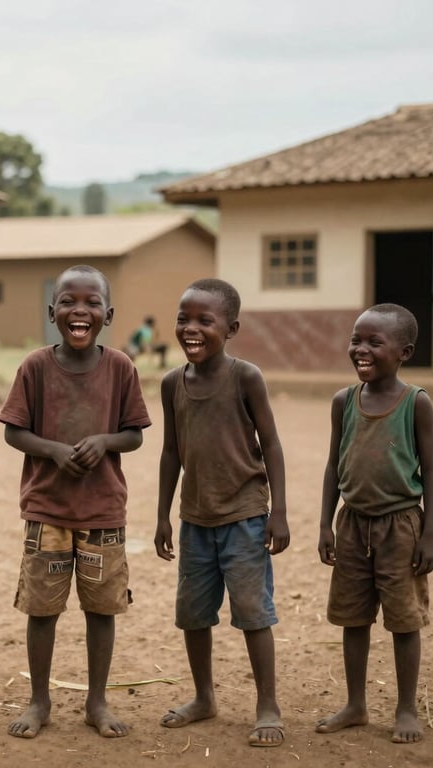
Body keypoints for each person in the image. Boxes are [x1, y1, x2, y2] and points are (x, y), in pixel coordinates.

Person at [0, 264, 151, 739]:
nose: (79, 310)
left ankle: (96, 702)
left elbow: (134, 435)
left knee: (101, 609)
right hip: (47, 511)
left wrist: (104, 442)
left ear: (108, 312)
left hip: (103, 510)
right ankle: (39, 701)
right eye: (68, 302)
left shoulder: (121, 366)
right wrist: (54, 451)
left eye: (90, 303)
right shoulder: (35, 367)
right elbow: (14, 431)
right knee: (42, 610)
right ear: (52, 312)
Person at [154, 278, 290, 748]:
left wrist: (280, 512)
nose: (190, 329)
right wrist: (162, 515)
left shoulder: (246, 377)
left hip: (246, 516)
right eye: (183, 319)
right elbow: (171, 451)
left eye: (203, 321)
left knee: (253, 612)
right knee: (193, 615)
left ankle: (267, 704)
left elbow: (270, 443)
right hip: (195, 519)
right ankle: (203, 696)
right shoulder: (172, 382)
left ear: (231, 328)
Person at [316, 303, 433, 744]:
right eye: (356, 340)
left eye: (374, 342)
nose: (360, 349)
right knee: (354, 617)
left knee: (404, 621)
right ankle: (355, 704)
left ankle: (406, 708)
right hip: (352, 524)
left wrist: (429, 536)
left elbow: (432, 472)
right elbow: (334, 465)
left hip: (401, 527)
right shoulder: (343, 401)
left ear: (404, 351)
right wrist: (326, 524)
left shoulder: (416, 404)